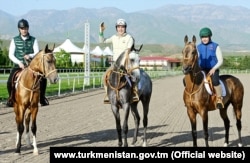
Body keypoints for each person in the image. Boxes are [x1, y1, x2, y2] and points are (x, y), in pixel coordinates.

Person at [6, 18, 49, 107]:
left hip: (31, 66)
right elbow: (11, 55)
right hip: (18, 65)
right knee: (9, 81)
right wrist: (19, 63)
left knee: (43, 79)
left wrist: (30, 55)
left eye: (25, 28)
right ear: (19, 29)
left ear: (28, 28)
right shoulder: (14, 40)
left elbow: (37, 53)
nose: (24, 30)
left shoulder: (34, 40)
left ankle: (42, 99)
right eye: (22, 28)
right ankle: (11, 99)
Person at [99, 18, 139, 103]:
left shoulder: (129, 38)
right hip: (115, 65)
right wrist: (101, 31)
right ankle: (108, 95)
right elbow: (102, 41)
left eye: (122, 27)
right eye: (119, 27)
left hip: (125, 64)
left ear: (125, 28)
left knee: (133, 77)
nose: (120, 29)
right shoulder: (114, 37)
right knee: (105, 76)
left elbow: (128, 51)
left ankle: (134, 93)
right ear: (116, 28)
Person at [197, 27, 224, 109]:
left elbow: (220, 60)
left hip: (213, 69)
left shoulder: (215, 46)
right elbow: (196, 59)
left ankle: (219, 99)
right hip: (201, 69)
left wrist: (214, 69)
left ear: (210, 37)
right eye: (202, 37)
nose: (204, 39)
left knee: (215, 81)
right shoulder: (198, 47)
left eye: (206, 37)